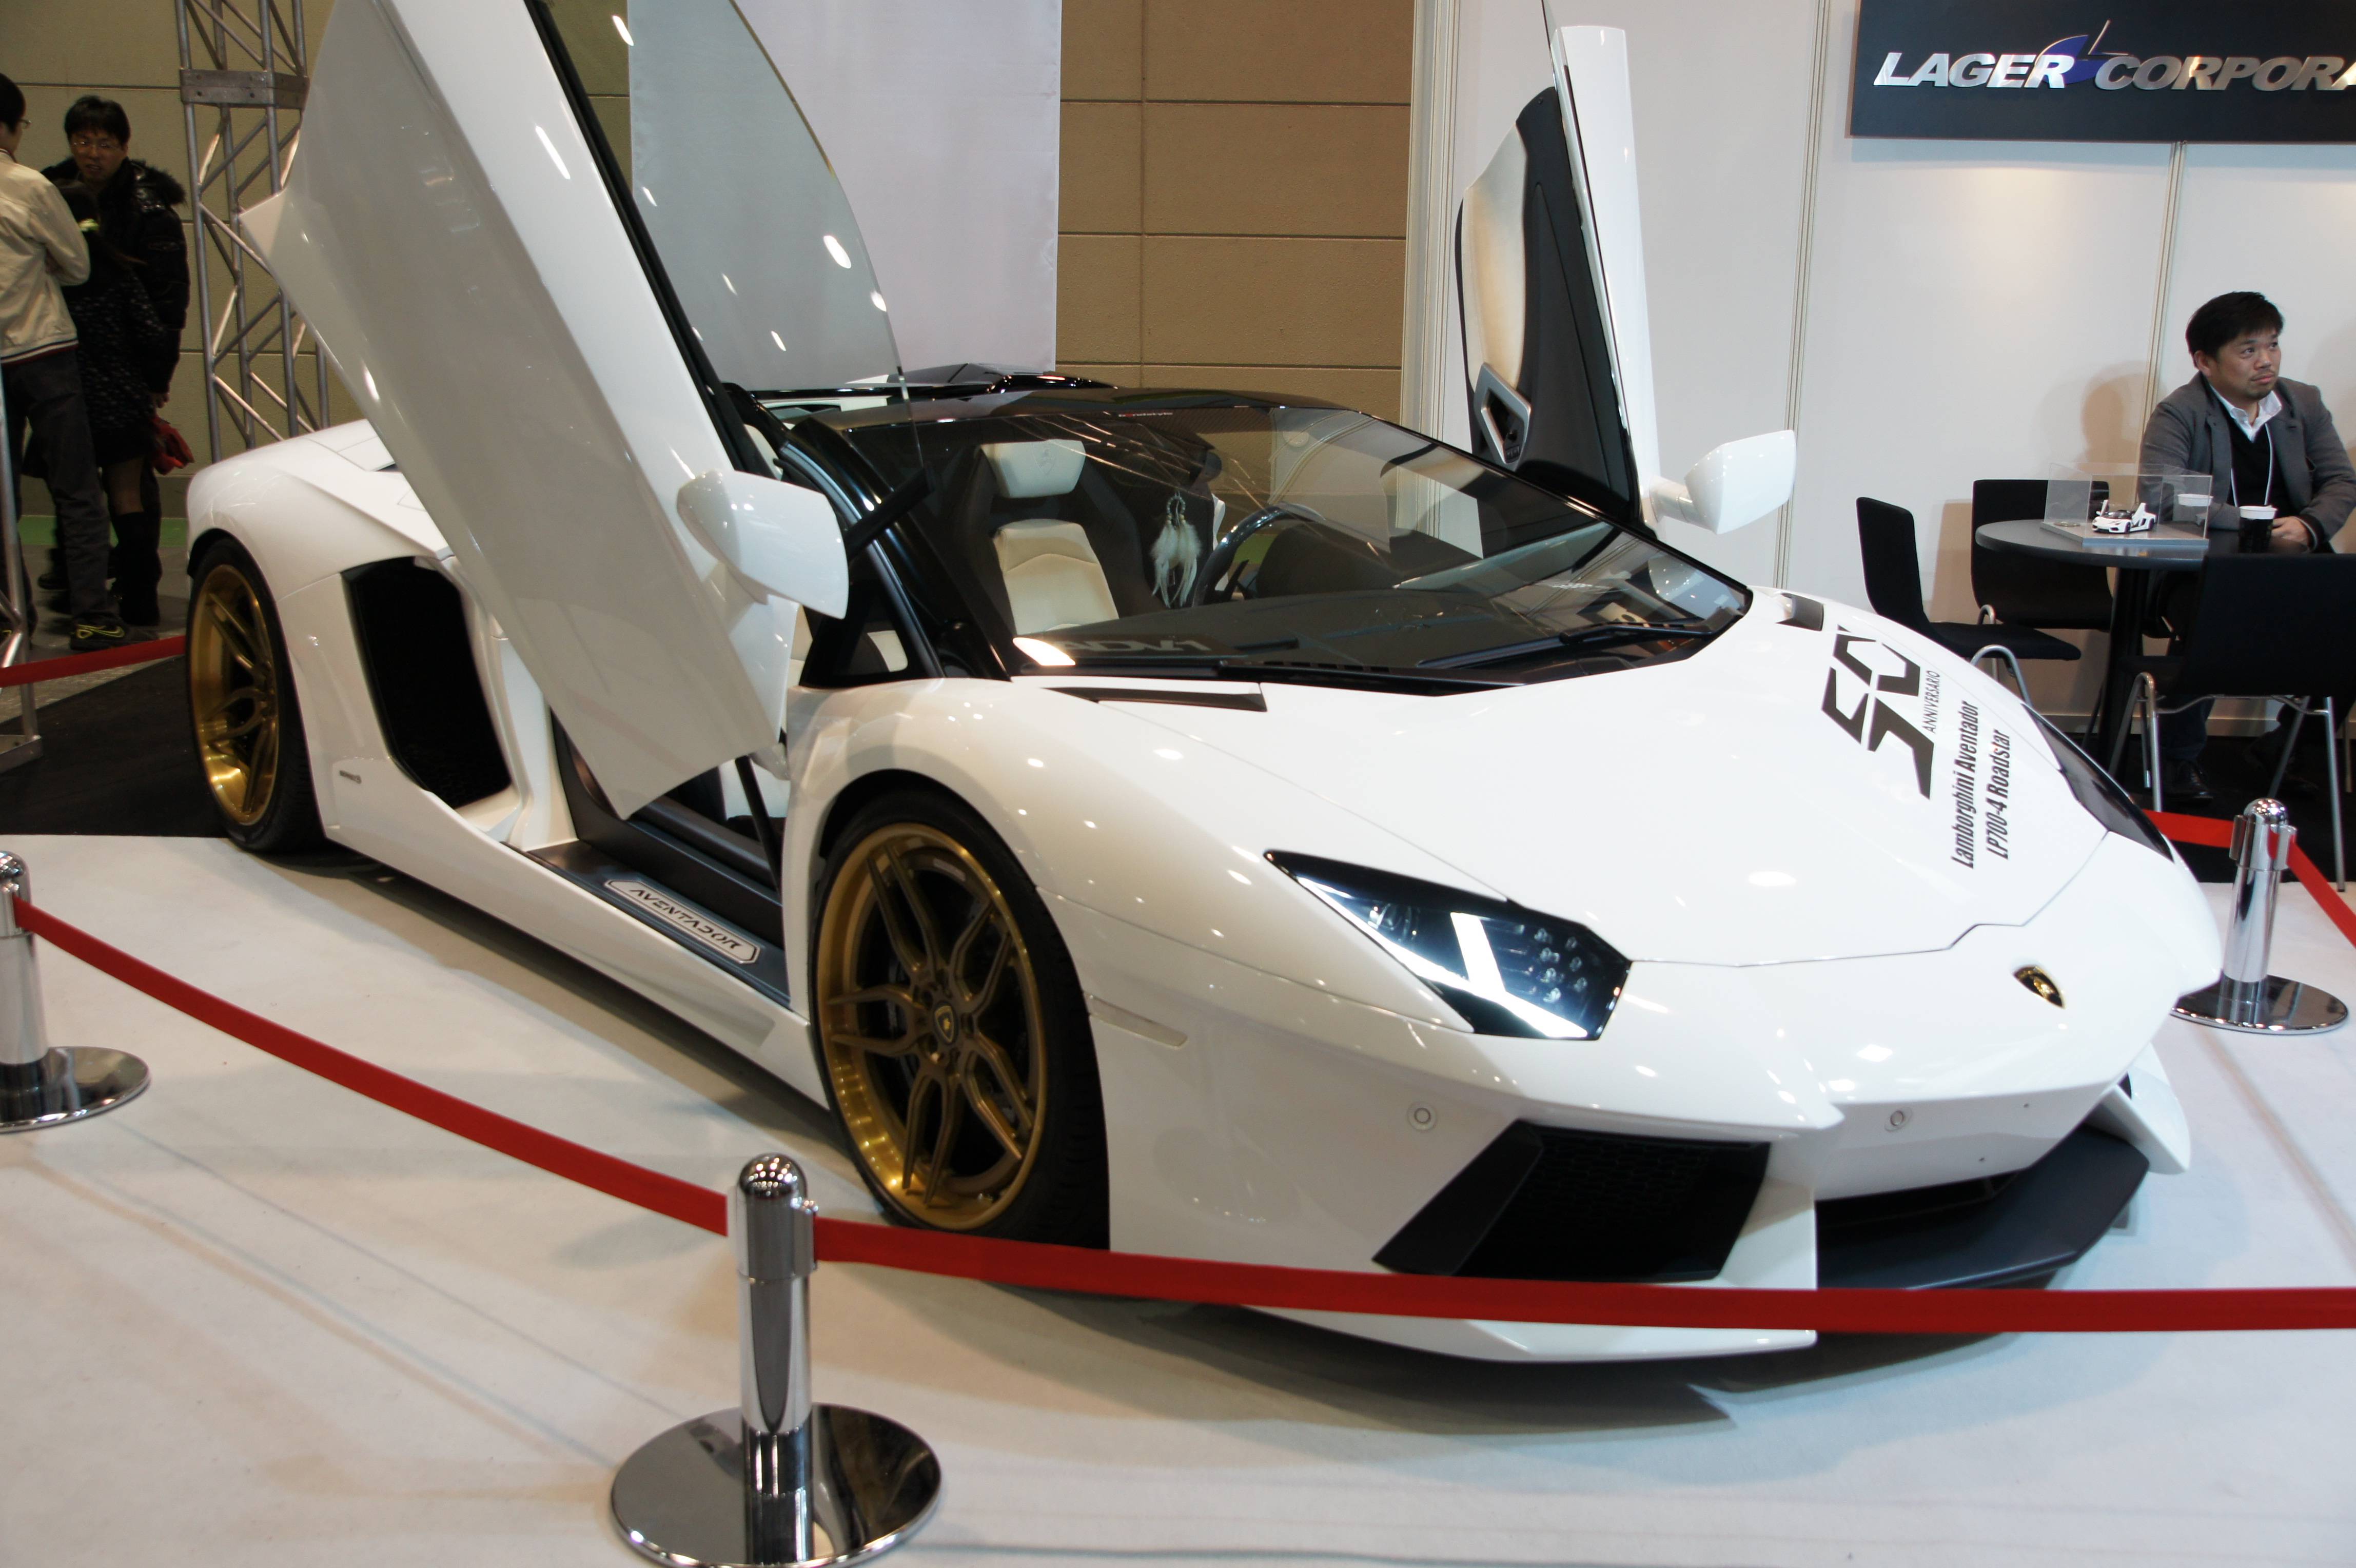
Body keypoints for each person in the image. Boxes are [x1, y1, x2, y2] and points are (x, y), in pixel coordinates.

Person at [2136, 291, 2356, 801]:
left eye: (2272, 345)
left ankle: (2286, 746)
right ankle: (2177, 759)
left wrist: (2310, 526)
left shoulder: (2302, 402)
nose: (2266, 361)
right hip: (2204, 569)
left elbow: (2341, 481)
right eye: (2248, 350)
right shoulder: (2180, 413)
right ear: (2204, 361)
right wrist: (2256, 526)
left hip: (2295, 564)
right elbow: (2162, 497)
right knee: (2211, 622)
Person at [42, 95, 186, 626]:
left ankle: (109, 586)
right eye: (83, 141)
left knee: (83, 487)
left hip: (77, 374)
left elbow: (168, 301)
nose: (92, 153)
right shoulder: (50, 191)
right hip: (104, 379)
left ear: (124, 147)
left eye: (104, 143)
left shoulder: (148, 208)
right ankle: (112, 586)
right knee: (113, 489)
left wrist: (158, 376)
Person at [0, 72, 122, 650]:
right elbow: (77, 265)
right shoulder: (29, 186)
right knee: (76, 490)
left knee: (1, 499)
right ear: (9, 126)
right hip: (44, 352)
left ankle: (10, 614)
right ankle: (92, 615)